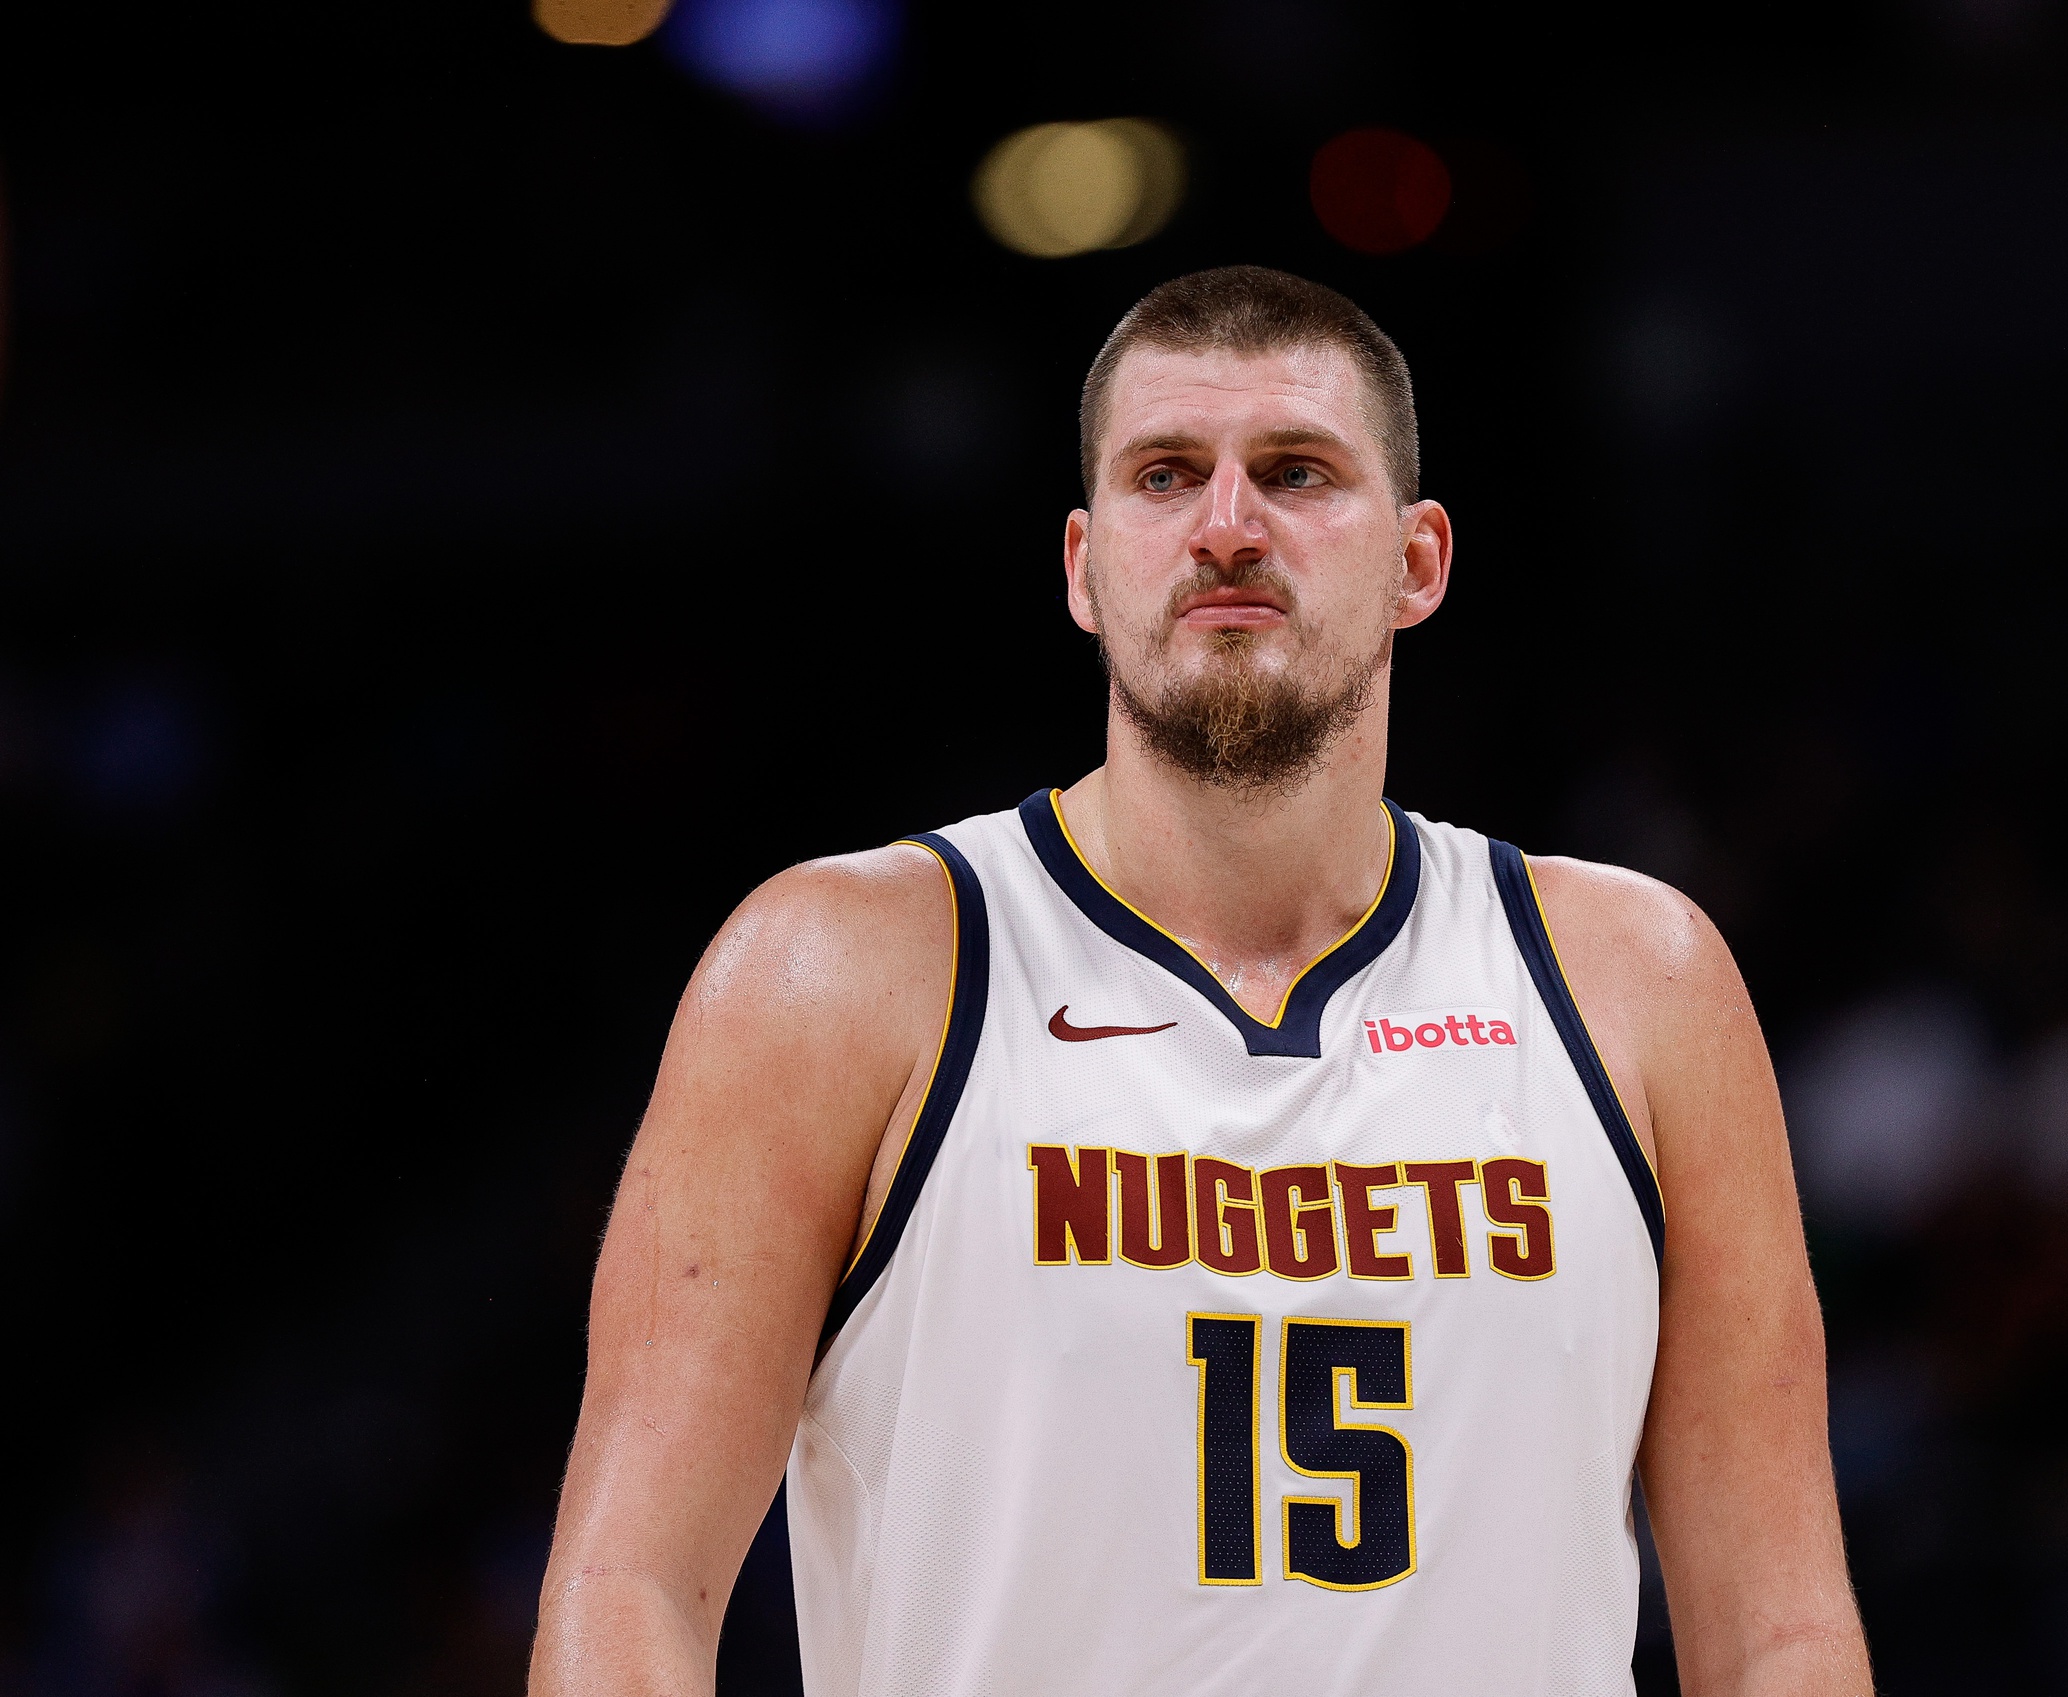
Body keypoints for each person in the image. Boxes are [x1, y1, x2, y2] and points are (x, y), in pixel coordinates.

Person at [528, 266, 1870, 1696]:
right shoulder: (835, 974)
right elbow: (629, 1590)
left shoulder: (1637, 984)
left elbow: (1777, 1630)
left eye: (1295, 473)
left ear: (1418, 560)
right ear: (1082, 562)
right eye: (1166, 475)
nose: (1227, 526)